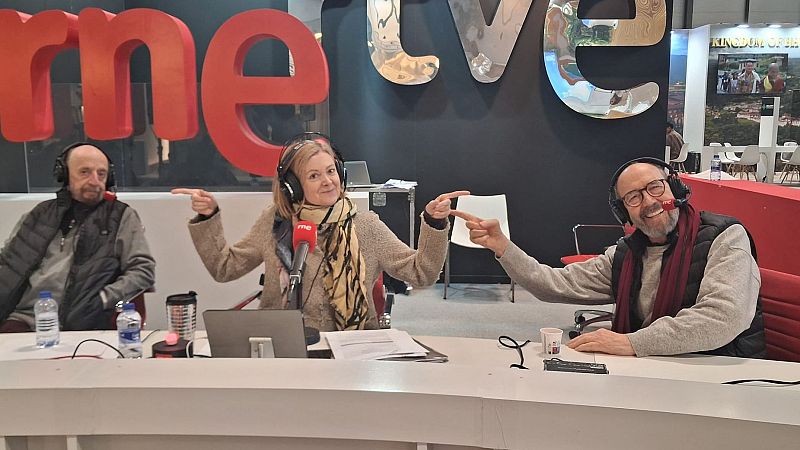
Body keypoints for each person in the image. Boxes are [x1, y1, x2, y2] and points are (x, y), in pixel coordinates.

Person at [451, 157, 765, 357]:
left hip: (719, 373)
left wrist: (632, 343)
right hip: (652, 369)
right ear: (624, 213)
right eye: (634, 197)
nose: (649, 202)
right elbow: (552, 284)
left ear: (675, 189)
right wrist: (503, 247)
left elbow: (723, 317)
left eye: (655, 188)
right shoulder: (626, 256)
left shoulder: (725, 237)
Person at [173, 133, 467, 331]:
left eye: (331, 171)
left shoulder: (365, 226)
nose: (328, 181)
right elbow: (225, 268)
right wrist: (208, 217)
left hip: (353, 348)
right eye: (314, 175)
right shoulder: (276, 223)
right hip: (284, 345)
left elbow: (421, 273)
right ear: (293, 186)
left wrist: (434, 223)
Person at [0, 143, 156, 332]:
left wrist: (103, 299)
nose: (95, 181)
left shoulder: (121, 216)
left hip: (82, 323)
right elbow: (7, 262)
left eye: (101, 174)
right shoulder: (39, 214)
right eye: (85, 172)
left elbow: (143, 271)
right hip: (23, 318)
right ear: (64, 174)